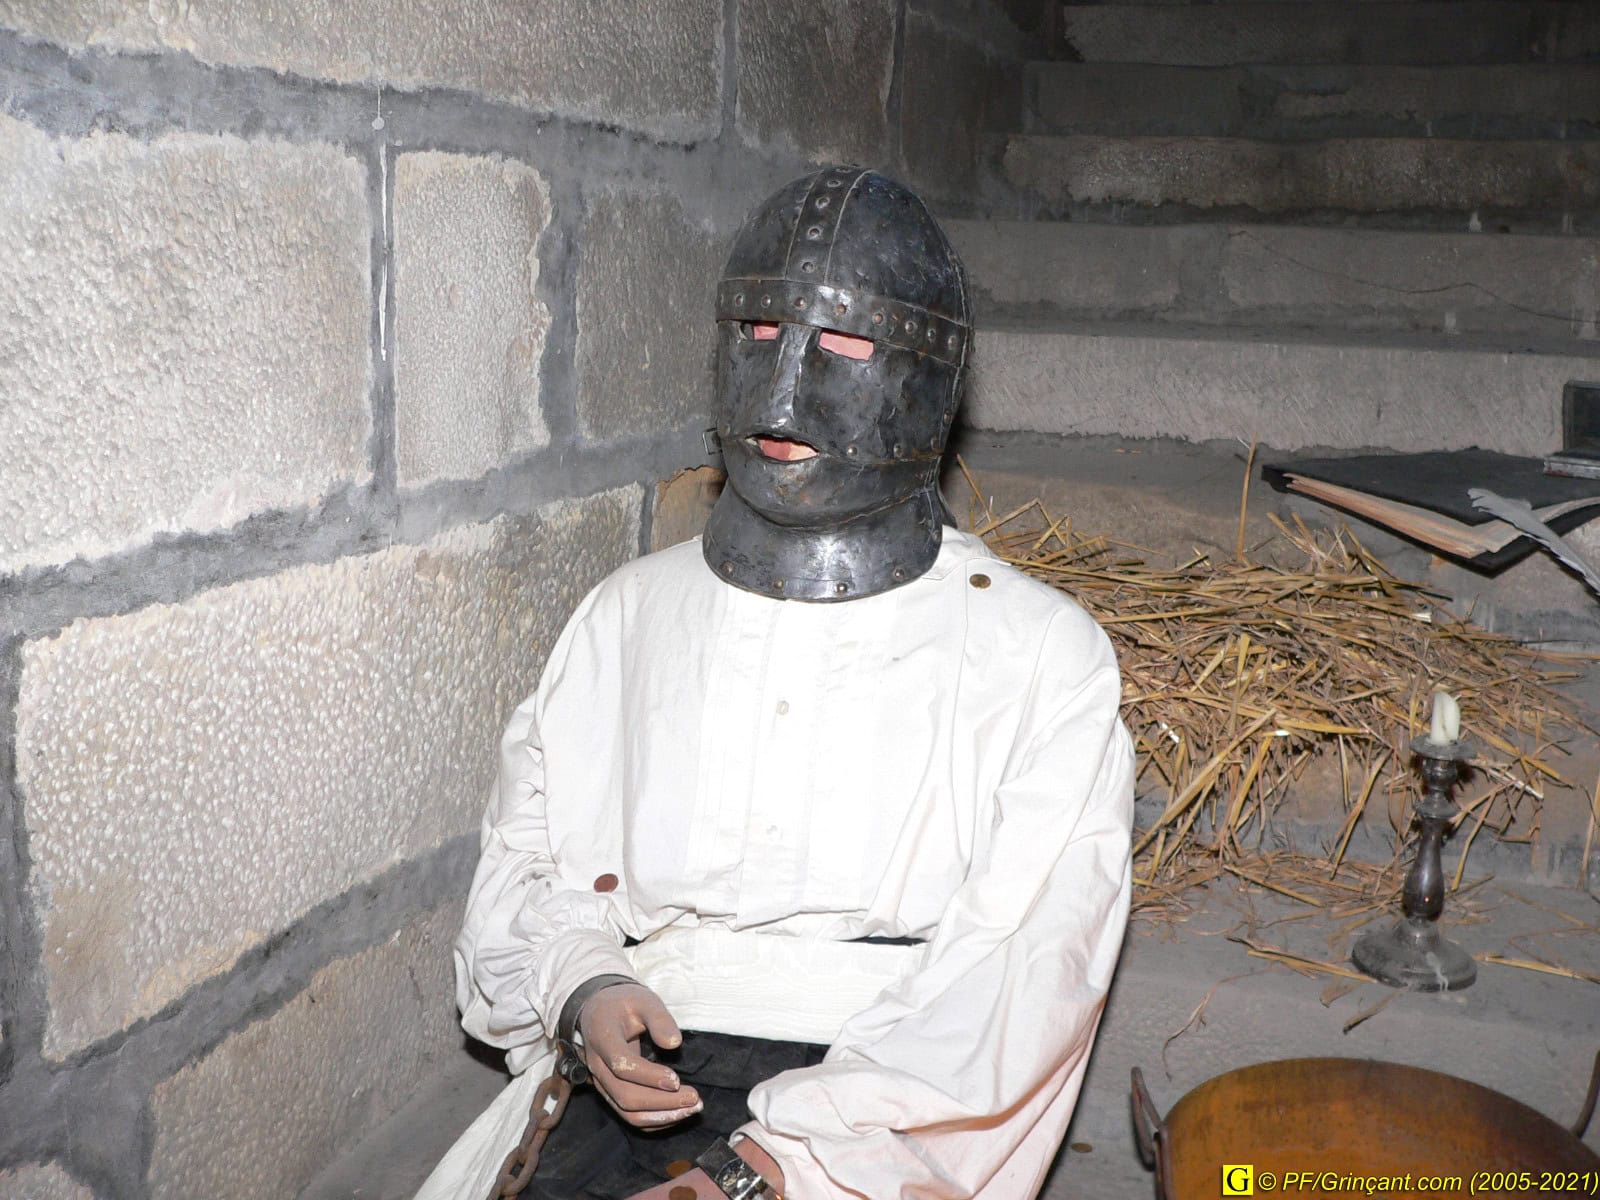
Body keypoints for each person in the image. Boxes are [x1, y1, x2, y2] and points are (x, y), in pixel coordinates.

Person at [415, 166, 1134, 1200]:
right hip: (641, 1064)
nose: (784, 392)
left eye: (843, 345)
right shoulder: (627, 612)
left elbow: (1023, 978)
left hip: (888, 1108)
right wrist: (583, 986)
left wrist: (766, 1169)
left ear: (928, 382)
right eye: (757, 336)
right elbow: (525, 865)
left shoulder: (1039, 654)